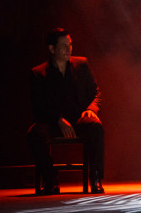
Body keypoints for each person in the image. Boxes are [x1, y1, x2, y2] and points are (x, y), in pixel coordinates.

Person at [27, 28, 104, 195]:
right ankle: (50, 180)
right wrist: (58, 119)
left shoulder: (81, 64)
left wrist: (91, 110)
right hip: (52, 121)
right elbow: (38, 106)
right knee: (35, 134)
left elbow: (96, 92)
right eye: (63, 46)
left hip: (78, 118)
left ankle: (96, 176)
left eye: (70, 45)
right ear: (51, 49)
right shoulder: (38, 73)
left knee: (96, 127)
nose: (69, 49)